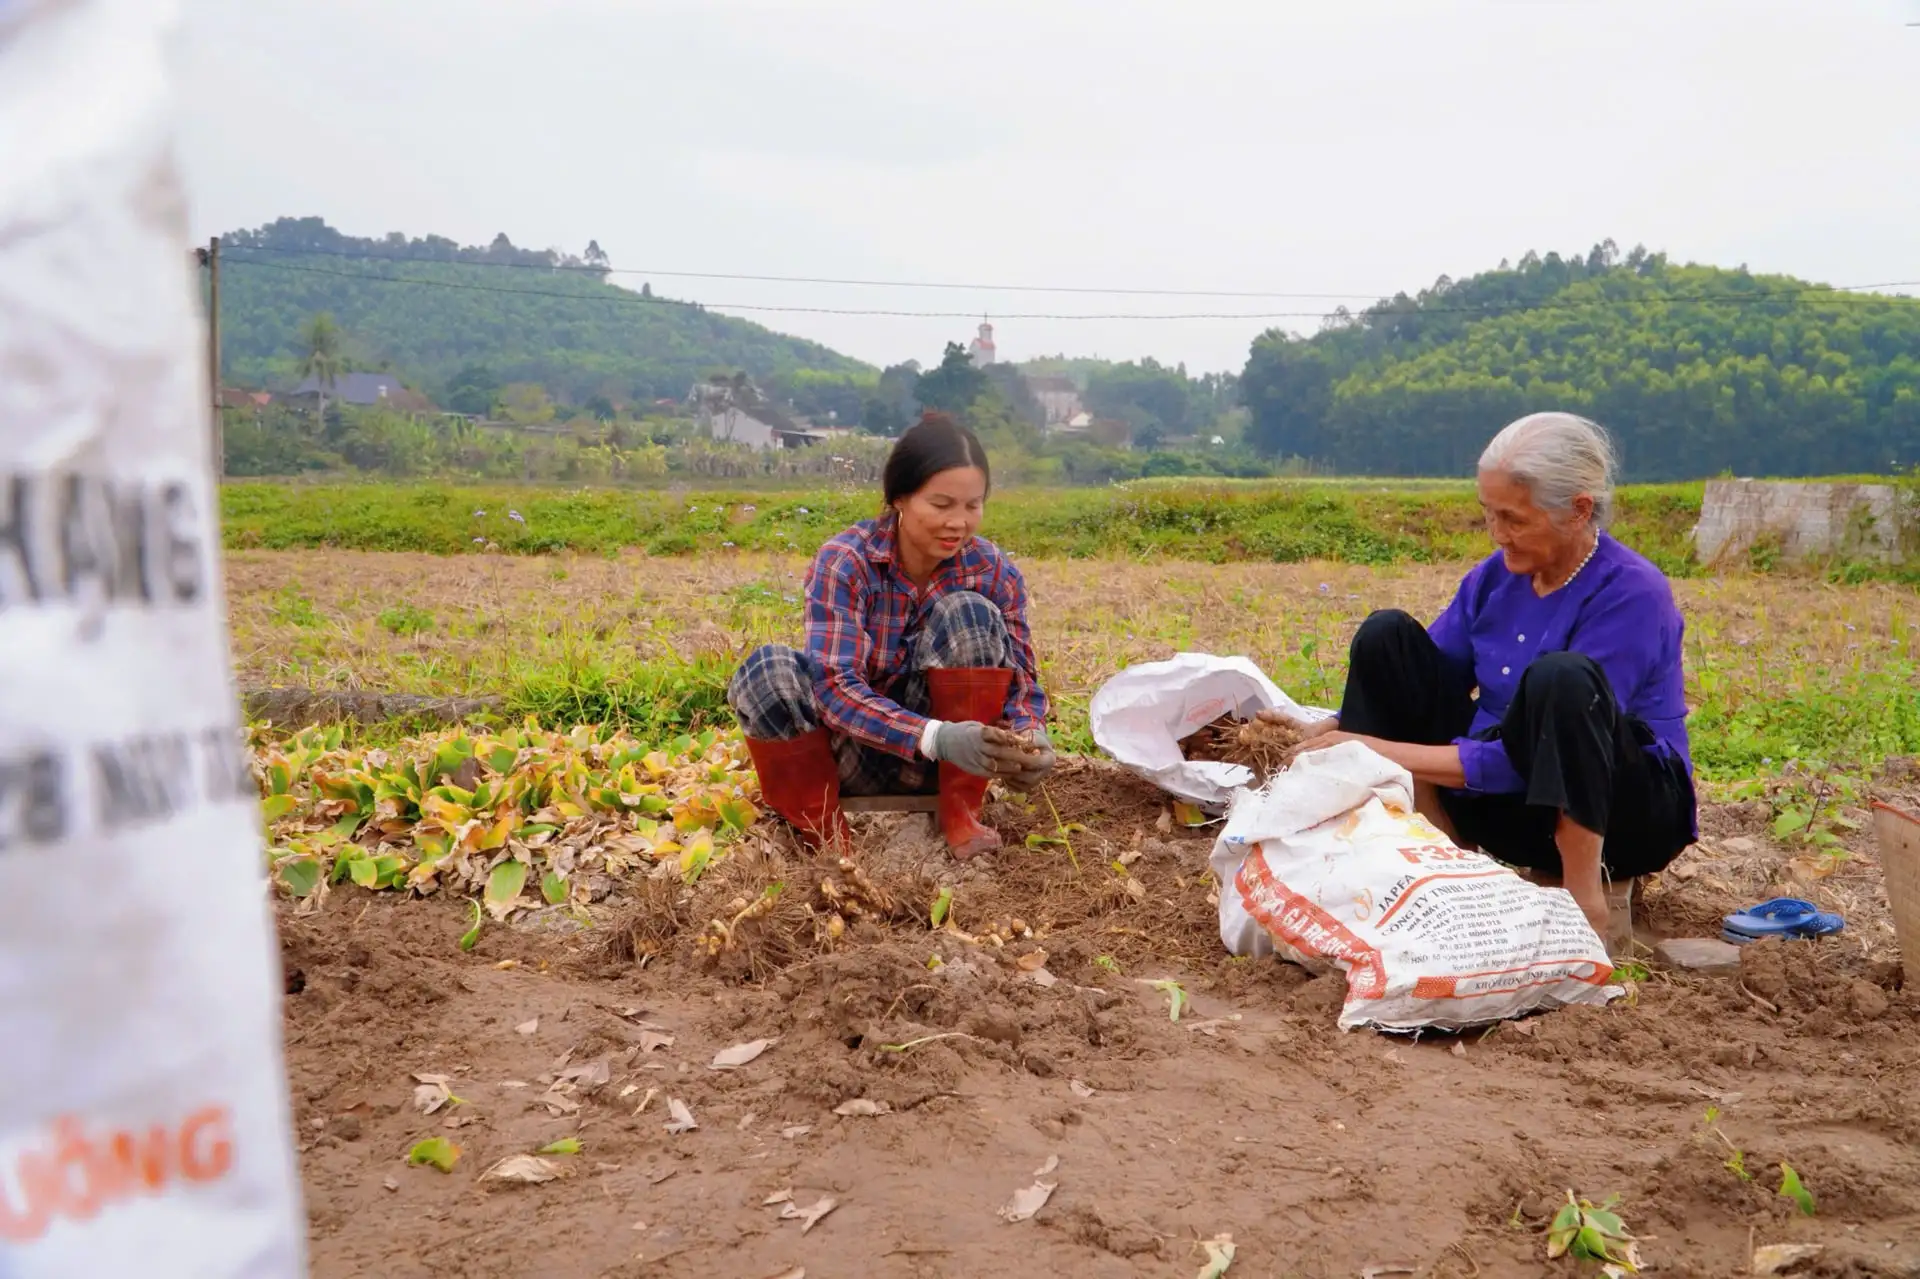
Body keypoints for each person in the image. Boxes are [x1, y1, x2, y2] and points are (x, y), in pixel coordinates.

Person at [1278, 411, 1696, 942]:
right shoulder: (1497, 578)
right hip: (1510, 808)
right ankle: (1432, 853)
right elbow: (1424, 674)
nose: (1498, 535)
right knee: (1387, 639)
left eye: (1514, 519)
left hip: (1619, 812)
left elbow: (1535, 754)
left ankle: (1585, 906)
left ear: (1578, 510)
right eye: (1489, 515)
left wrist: (1370, 748)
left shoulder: (1632, 592)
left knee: (1562, 680)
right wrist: (1338, 726)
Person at [728, 412, 1056, 859]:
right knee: (766, 669)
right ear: (900, 497)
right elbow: (836, 689)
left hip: (951, 763)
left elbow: (1022, 681)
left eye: (972, 505)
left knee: (970, 612)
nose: (958, 522)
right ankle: (823, 835)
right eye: (941, 505)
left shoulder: (991, 569)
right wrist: (934, 735)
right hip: (849, 757)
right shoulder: (846, 561)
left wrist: (1029, 732)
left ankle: (960, 813)